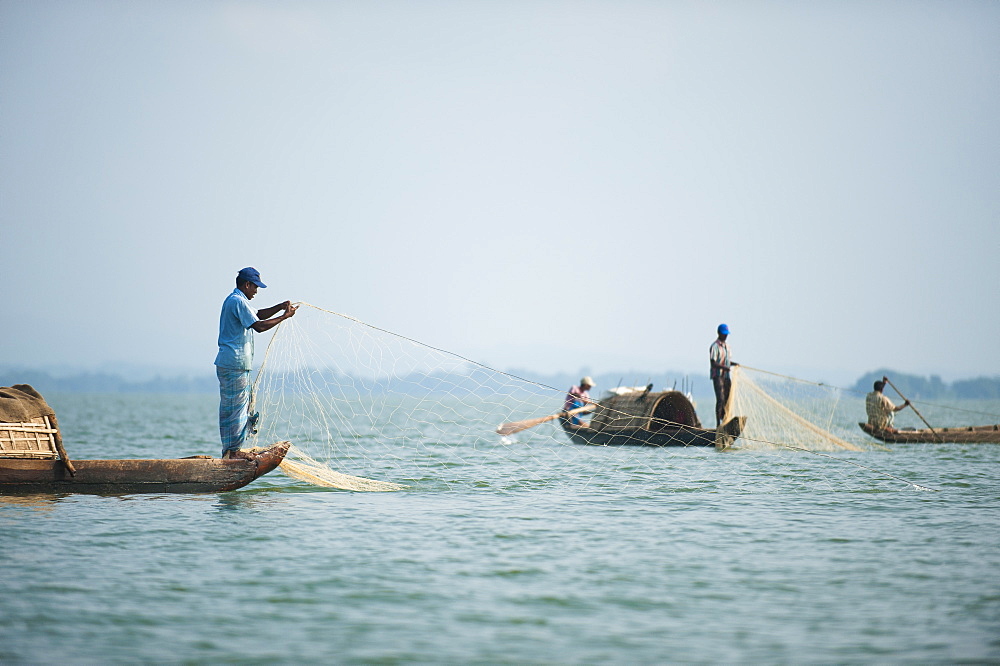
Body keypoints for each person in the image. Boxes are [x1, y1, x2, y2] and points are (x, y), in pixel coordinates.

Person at [215, 267, 298, 459]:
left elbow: (258, 315)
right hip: (234, 363)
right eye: (255, 287)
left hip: (233, 363)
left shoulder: (238, 300)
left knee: (236, 408)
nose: (256, 291)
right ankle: (233, 453)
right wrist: (284, 316)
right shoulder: (237, 301)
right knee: (236, 409)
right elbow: (259, 326)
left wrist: (279, 307)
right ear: (246, 284)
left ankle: (231, 450)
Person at [709, 324, 738, 427]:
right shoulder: (714, 347)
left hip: (726, 376)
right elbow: (713, 363)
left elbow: (727, 362)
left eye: (726, 334)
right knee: (720, 399)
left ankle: (725, 420)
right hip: (717, 376)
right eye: (723, 334)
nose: (725, 336)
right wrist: (724, 367)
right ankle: (718, 424)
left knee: (727, 399)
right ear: (719, 333)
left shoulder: (727, 347)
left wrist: (734, 364)